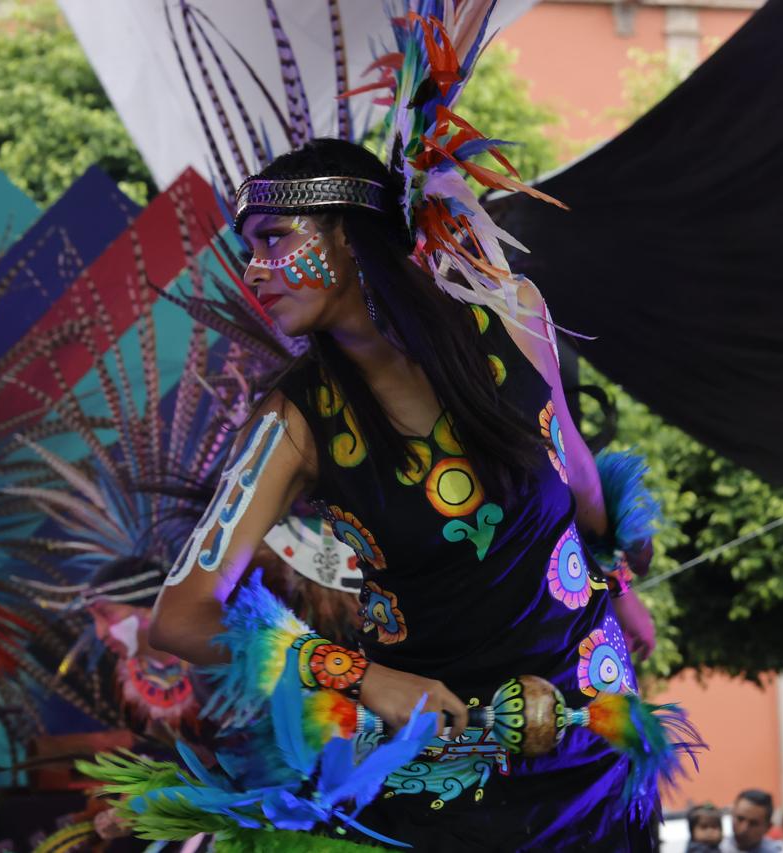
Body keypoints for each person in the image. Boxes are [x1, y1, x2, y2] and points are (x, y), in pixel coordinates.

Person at [144, 129, 682, 849]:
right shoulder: (295, 421)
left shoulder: (514, 317)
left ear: (350, 235)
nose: (256, 269)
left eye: (274, 238)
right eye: (251, 248)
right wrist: (364, 677)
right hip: (444, 781)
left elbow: (576, 474)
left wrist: (616, 573)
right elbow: (180, 616)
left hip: (596, 748)